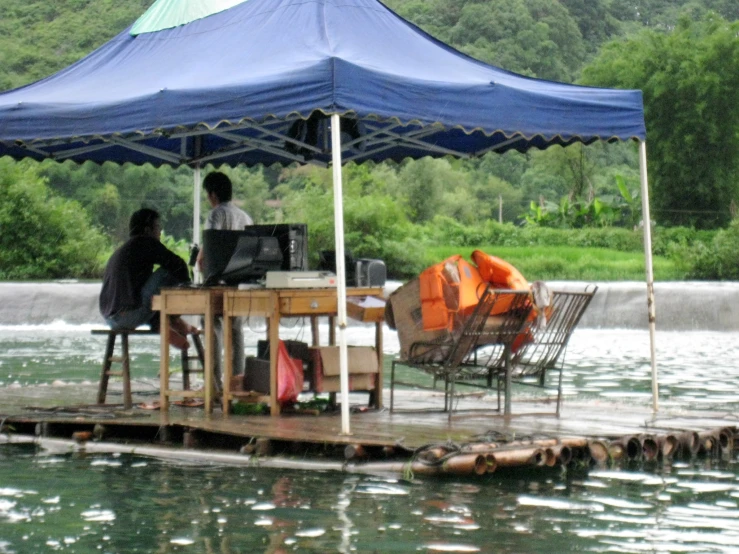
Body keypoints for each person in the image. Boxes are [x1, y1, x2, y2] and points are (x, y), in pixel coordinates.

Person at [100, 208, 195, 350]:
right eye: (158, 227)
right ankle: (170, 319)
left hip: (111, 319)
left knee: (148, 291)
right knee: (166, 273)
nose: (160, 232)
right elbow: (178, 264)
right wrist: (189, 289)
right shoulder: (145, 242)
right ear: (147, 230)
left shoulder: (124, 249)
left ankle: (162, 323)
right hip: (129, 315)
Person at [196, 171, 253, 390]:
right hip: (239, 283)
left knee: (211, 325)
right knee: (236, 329)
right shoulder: (245, 217)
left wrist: (201, 265)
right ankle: (237, 381)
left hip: (217, 281)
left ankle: (214, 383)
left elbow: (209, 246)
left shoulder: (216, 214)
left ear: (212, 195)